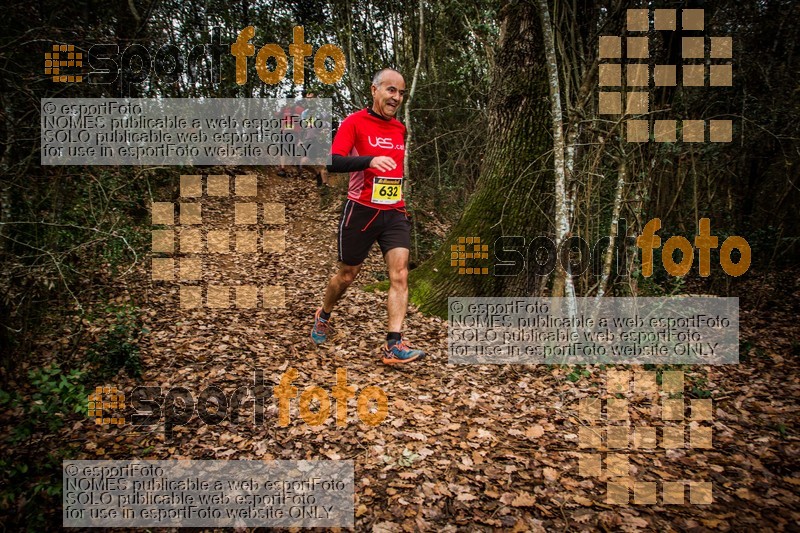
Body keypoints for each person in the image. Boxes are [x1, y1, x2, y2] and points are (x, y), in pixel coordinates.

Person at [309, 68, 424, 365]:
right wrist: (370, 160)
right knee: (347, 274)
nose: (396, 97)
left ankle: (393, 345)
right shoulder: (354, 122)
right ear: (374, 90)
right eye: (390, 90)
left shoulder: (400, 129)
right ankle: (324, 314)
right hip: (360, 211)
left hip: (394, 211)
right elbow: (332, 161)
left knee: (400, 275)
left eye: (400, 93)